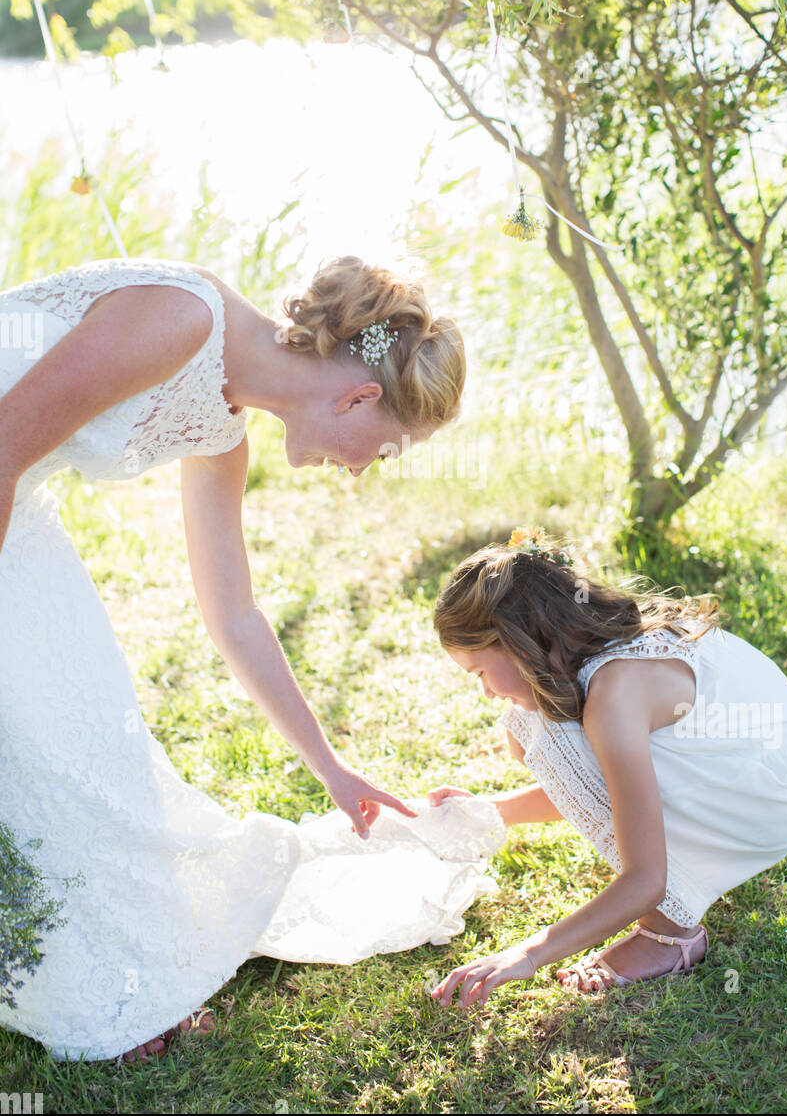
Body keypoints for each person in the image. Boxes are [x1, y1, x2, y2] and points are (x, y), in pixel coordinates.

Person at [0, 253, 475, 1064]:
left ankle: (92, 968)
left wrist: (331, 767)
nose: (362, 472)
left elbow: (235, 615)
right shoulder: (181, 317)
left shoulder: (221, 429)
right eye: (384, 450)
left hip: (16, 498)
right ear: (359, 396)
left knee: (87, 727)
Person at [426, 528, 787, 1010]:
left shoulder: (614, 697)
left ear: (517, 643)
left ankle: (668, 934)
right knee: (531, 721)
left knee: (538, 727)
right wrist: (492, 810)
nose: (486, 690)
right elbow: (606, 787)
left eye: (480, 672)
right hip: (776, 770)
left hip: (765, 800)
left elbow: (645, 880)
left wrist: (527, 955)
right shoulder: (607, 647)